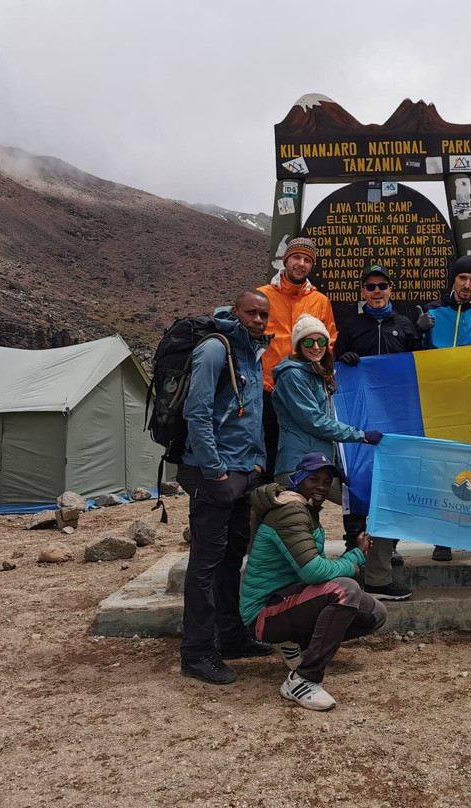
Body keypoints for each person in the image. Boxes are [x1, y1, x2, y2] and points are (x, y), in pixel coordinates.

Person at [177, 290, 275, 685]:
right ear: (235, 312)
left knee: (232, 557)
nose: (258, 319)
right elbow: (196, 411)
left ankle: (231, 636)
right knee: (206, 563)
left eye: (264, 314)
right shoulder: (216, 350)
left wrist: (258, 462)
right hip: (212, 473)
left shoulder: (253, 351)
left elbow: (253, 415)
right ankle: (197, 653)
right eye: (251, 312)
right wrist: (214, 469)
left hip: (242, 472)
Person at [240, 453, 387, 711]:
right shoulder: (291, 511)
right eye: (313, 479)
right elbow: (313, 572)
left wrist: (357, 553)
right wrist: (352, 565)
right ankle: (302, 679)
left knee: (375, 613)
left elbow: (313, 569)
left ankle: (294, 642)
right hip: (263, 613)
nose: (321, 486)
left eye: (327, 481)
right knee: (345, 589)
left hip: (286, 600)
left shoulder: (304, 510)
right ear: (297, 479)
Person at [335, 265, 419, 600]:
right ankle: (352, 544)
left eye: (382, 286)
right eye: (370, 287)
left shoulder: (405, 325)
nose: (376, 291)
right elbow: (336, 362)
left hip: (398, 415)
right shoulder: (352, 325)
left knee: (394, 480)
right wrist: (345, 357)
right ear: (362, 292)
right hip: (362, 415)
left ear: (391, 290)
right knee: (358, 476)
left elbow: (418, 365)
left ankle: (389, 546)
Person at [415, 254, 471, 561]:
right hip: (438, 404)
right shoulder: (433, 311)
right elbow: (414, 354)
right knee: (442, 469)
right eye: (462, 278)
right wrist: (418, 330)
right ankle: (443, 539)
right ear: (454, 279)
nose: (467, 284)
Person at [271, 313, 381, 488]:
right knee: (299, 515)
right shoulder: (291, 375)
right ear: (298, 345)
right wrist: (361, 435)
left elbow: (328, 423)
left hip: (320, 464)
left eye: (321, 341)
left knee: (352, 503)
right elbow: (314, 422)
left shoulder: (319, 374)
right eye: (308, 342)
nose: (316, 347)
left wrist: (338, 466)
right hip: (298, 466)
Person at [258, 237, 337, 478]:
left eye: (307, 260)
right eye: (296, 257)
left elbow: (329, 341)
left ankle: (299, 509)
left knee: (304, 457)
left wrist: (324, 377)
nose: (301, 263)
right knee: (266, 451)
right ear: (286, 260)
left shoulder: (320, 301)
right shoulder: (263, 296)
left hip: (306, 392)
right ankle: (265, 507)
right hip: (267, 388)